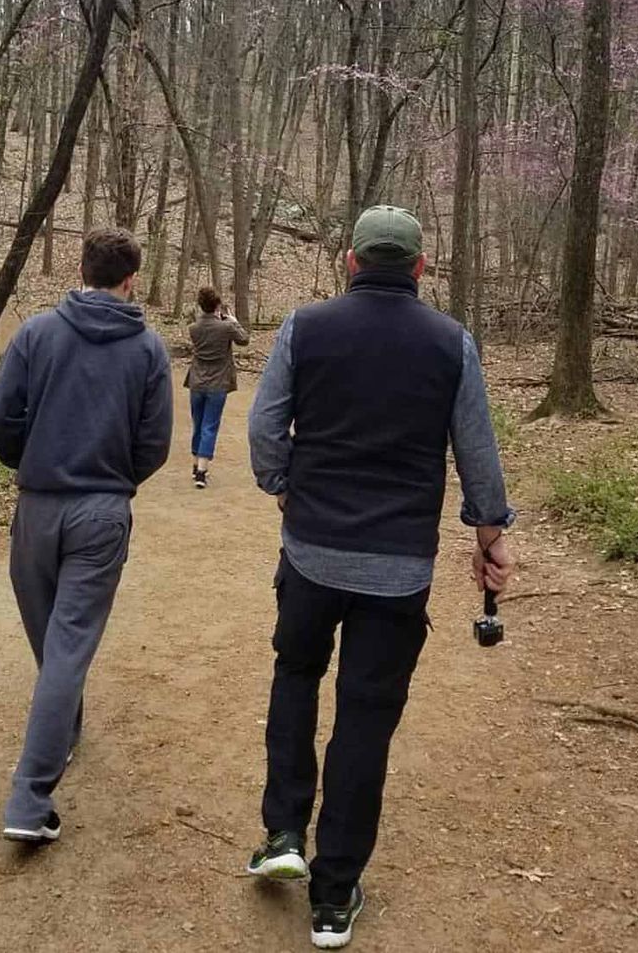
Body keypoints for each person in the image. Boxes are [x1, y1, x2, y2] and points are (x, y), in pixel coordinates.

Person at [246, 205, 514, 949]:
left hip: (309, 552)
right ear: (420, 268)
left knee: (296, 675)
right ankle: (333, 897)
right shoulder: (451, 343)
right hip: (399, 569)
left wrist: (285, 487)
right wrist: (491, 538)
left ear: (352, 261)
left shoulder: (305, 326)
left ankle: (282, 832)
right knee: (366, 717)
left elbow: (266, 427)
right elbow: (477, 451)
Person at [0, 227, 173, 843]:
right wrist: (114, 481)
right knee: (61, 648)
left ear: (83, 269)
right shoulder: (147, 349)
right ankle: (33, 791)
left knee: (56, 645)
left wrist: (33, 462)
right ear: (131, 279)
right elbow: (154, 443)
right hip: (98, 511)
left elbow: (0, 417)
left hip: (38, 508)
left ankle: (30, 794)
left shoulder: (36, 333)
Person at [186, 285, 249, 489]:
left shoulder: (193, 328)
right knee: (210, 425)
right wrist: (233, 320)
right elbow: (244, 340)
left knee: (198, 423)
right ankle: (202, 471)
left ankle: (196, 464)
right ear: (217, 306)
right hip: (217, 383)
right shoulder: (226, 327)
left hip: (197, 381)